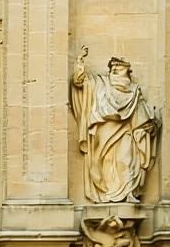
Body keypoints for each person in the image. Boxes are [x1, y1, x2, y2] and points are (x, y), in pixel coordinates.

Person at [69, 46, 161, 203]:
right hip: (103, 135)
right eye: (113, 67)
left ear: (127, 70)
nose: (115, 69)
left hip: (125, 134)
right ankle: (109, 194)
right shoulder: (101, 83)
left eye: (119, 66)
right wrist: (80, 62)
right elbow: (79, 81)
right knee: (107, 164)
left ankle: (127, 194)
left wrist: (149, 124)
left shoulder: (134, 91)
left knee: (126, 161)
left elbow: (141, 116)